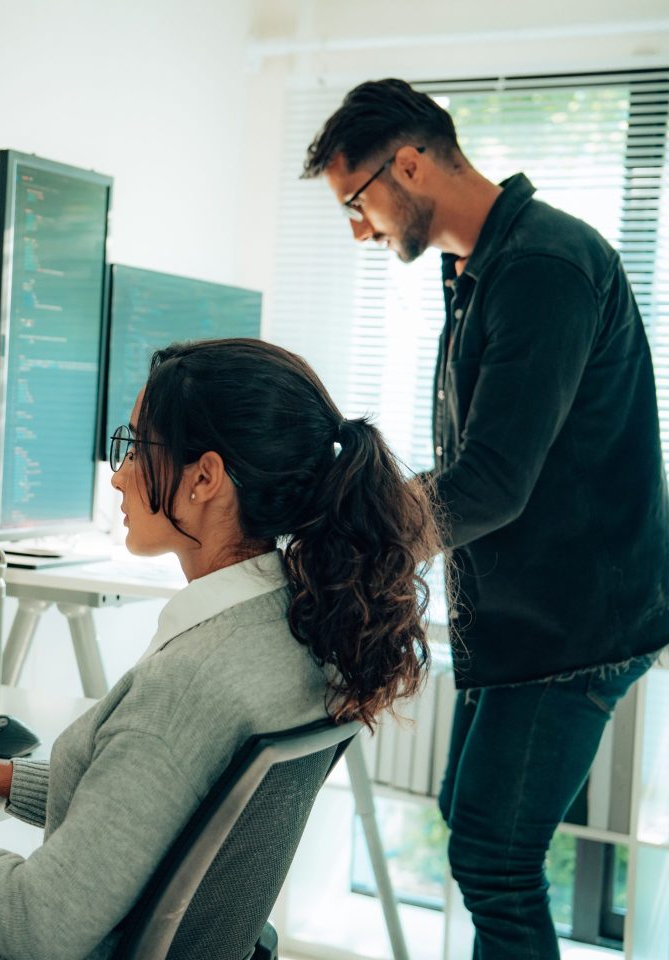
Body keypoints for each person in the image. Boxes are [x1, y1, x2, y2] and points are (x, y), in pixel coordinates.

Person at [0, 338, 437, 960]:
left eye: (136, 448)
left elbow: (39, 926)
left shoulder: (187, 685)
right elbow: (169, 815)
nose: (119, 477)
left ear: (205, 478)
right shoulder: (298, 626)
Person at [302, 78, 669, 958]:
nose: (359, 230)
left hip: (575, 625)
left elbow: (493, 483)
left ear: (410, 165)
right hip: (529, 615)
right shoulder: (480, 269)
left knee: (494, 860)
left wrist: (356, 541)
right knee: (470, 827)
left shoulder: (542, 267)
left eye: (357, 203)